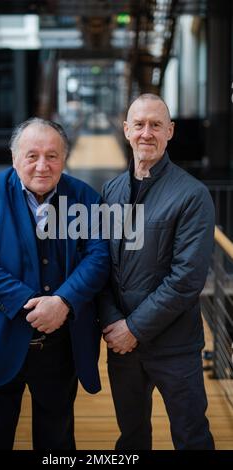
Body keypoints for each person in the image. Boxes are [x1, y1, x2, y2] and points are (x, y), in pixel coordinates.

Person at [0, 118, 109, 450]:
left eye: (52, 156)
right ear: (14, 158)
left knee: (56, 439)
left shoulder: (85, 197)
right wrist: (34, 303)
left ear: (65, 158)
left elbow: (98, 258)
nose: (43, 165)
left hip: (61, 347)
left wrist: (63, 302)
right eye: (32, 155)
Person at [98, 94, 215, 450]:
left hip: (174, 346)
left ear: (170, 131)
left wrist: (134, 328)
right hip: (122, 347)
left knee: (191, 436)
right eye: (139, 124)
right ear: (126, 130)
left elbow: (186, 280)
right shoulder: (111, 191)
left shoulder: (192, 195)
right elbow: (100, 265)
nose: (146, 132)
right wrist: (114, 324)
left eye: (155, 125)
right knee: (131, 438)